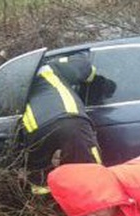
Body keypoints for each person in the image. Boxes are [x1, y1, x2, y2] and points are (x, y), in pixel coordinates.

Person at [22, 54, 102, 186]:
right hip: (69, 119)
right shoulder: (51, 68)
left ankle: (48, 198)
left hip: (36, 130)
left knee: (41, 180)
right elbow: (85, 67)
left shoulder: (12, 81)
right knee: (89, 172)